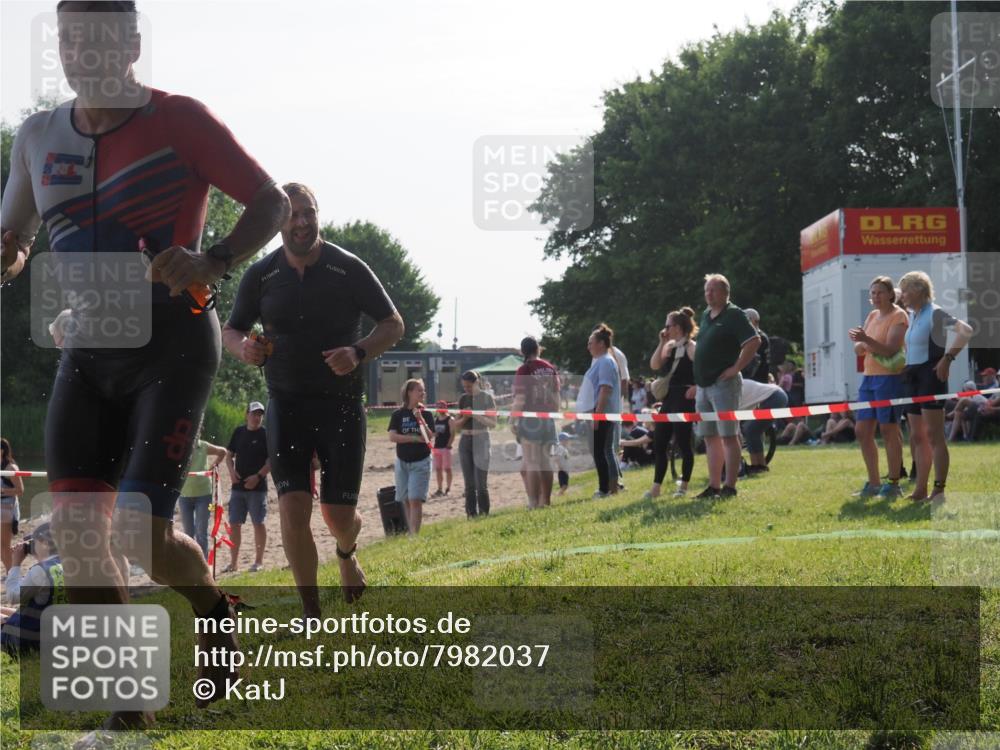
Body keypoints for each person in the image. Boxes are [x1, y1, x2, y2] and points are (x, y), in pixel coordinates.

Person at [0, 0, 290, 727]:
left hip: (173, 341)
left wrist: (215, 258)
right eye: (67, 40)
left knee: (140, 534)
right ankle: (126, 711)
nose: (79, 54)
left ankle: (216, 609)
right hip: (88, 348)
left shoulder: (179, 121)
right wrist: (7, 253)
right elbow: (14, 234)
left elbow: (271, 201)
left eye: (95, 39)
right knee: (78, 528)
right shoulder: (37, 136)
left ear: (130, 43)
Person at [224, 182, 403, 615]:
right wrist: (244, 348)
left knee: (338, 517)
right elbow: (231, 330)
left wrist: (358, 351)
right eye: (292, 215)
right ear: (278, 224)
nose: (301, 222)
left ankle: (346, 553)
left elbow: (392, 324)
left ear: (318, 215)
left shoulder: (348, 268)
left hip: (341, 405)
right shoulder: (261, 274)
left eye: (308, 213)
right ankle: (311, 613)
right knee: (292, 511)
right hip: (286, 403)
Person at [898, 271, 973, 502]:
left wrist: (947, 358)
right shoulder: (914, 315)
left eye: (906, 290)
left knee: (933, 435)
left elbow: (966, 331)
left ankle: (939, 490)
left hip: (931, 377)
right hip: (912, 378)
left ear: (920, 289)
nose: (902, 296)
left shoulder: (936, 312)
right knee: (917, 437)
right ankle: (920, 489)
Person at [692, 274, 761, 498]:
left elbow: (753, 341)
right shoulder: (705, 315)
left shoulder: (734, 314)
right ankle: (714, 485)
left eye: (713, 289)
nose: (708, 294)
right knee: (710, 437)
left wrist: (735, 368)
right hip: (703, 386)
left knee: (729, 436)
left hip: (724, 385)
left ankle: (730, 486)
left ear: (725, 292)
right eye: (706, 290)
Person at [847, 276, 908, 499]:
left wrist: (866, 341)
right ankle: (873, 483)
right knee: (862, 431)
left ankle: (893, 483)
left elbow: (890, 350)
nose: (875, 297)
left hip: (890, 379)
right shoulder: (872, 315)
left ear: (891, 294)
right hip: (869, 378)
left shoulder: (899, 316)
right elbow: (858, 349)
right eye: (872, 293)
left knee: (889, 430)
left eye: (880, 292)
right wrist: (861, 343)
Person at [645, 307, 698, 499]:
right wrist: (662, 342)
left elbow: (703, 370)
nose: (665, 329)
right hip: (668, 399)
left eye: (667, 326)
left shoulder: (692, 347)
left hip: (684, 399)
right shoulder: (669, 346)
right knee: (660, 443)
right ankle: (656, 487)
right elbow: (654, 365)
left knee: (684, 444)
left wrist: (697, 387)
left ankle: (683, 487)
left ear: (677, 327)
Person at [1, 522, 66, 655]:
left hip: (28, 639)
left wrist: (16, 564)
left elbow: (13, 597)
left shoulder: (40, 571)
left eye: (33, 542)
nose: (31, 547)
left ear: (44, 543)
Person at [511, 336, 561, 509]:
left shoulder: (524, 369)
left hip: (530, 418)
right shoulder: (549, 368)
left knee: (532, 462)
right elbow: (556, 397)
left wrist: (512, 419)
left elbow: (520, 398)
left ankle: (533, 502)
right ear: (538, 348)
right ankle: (545, 501)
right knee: (545, 461)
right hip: (547, 418)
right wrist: (553, 414)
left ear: (522, 351)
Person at [224, 402, 270, 573]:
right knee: (234, 523)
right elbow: (229, 455)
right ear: (247, 415)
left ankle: (258, 562)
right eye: (254, 414)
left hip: (258, 488)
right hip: (238, 487)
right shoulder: (239, 432)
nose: (257, 417)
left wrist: (258, 476)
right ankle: (233, 563)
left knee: (259, 523)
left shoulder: (266, 434)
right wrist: (231, 472)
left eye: (260, 414)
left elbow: (271, 460)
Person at [388, 380, 434, 535]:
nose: (423, 393)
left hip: (421, 462)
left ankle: (414, 535)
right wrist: (414, 438)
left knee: (415, 499)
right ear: (409, 392)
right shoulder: (398, 414)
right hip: (402, 462)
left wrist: (420, 419)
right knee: (406, 499)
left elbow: (428, 437)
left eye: (424, 390)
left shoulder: (426, 414)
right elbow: (393, 436)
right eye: (419, 390)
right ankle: (411, 531)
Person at [580, 324, 622, 498]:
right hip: (602, 413)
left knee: (600, 452)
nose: (588, 346)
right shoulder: (603, 360)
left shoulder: (605, 361)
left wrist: (597, 415)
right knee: (605, 450)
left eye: (591, 343)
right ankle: (611, 487)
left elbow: (605, 389)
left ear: (602, 344)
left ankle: (604, 489)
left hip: (602, 413)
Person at [452, 371, 497, 517]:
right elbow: (456, 425)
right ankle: (471, 515)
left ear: (477, 382)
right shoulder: (463, 399)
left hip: (481, 439)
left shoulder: (487, 398)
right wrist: (464, 418)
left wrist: (476, 414)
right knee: (469, 484)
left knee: (480, 484)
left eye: (469, 386)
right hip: (465, 442)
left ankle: (484, 513)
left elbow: (493, 423)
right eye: (464, 387)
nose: (466, 389)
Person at [177, 434, 226, 559]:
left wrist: (212, 467)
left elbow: (222, 451)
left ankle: (202, 563)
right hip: (184, 495)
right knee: (188, 533)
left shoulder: (203, 445)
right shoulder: (180, 446)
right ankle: (190, 561)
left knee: (201, 532)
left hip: (204, 495)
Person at [739, 378, 788, 475]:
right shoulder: (738, 384)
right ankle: (759, 465)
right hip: (777, 395)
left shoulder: (735, 390)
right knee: (753, 430)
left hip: (775, 397)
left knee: (751, 431)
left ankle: (759, 466)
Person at [1, 438, 24, 574]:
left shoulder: (11, 468)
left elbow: (20, 491)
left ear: (2, 450)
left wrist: (2, 490)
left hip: (7, 508)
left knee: (4, 546)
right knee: (1, 547)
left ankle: (12, 573)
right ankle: (10, 572)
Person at [741, 309, 771, 383]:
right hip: (758, 379)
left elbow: (754, 360)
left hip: (755, 380)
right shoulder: (760, 336)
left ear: (752, 320)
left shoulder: (758, 337)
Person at [432, 401, 454, 497]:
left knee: (447, 469)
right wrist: (434, 434)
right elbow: (432, 432)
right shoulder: (436, 419)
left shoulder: (450, 419)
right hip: (437, 447)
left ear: (445, 407)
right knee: (438, 469)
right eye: (438, 407)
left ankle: (448, 488)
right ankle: (439, 488)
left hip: (446, 447)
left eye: (441, 406)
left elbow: (453, 433)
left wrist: (449, 445)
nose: (440, 408)